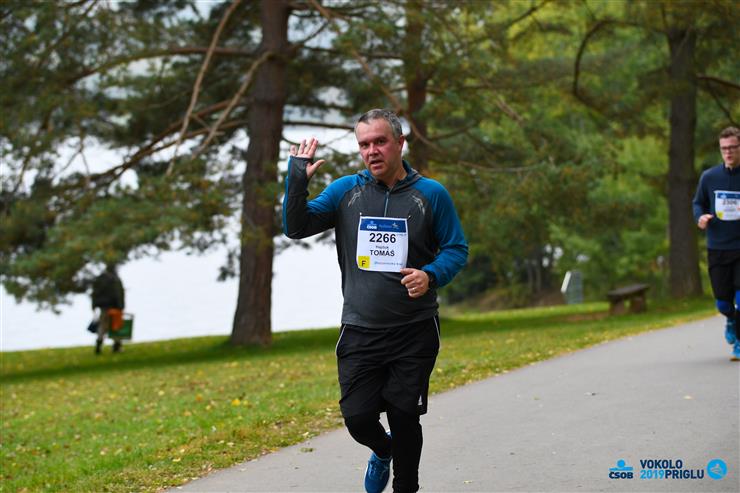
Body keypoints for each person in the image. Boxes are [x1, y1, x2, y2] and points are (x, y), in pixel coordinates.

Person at [283, 109, 468, 493]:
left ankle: (406, 487)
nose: (372, 151)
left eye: (380, 141)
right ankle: (383, 450)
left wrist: (430, 275)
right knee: (358, 418)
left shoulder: (431, 194)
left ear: (400, 143)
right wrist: (297, 179)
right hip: (360, 328)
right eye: (364, 144)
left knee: (404, 415)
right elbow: (296, 227)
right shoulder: (345, 192)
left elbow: (456, 249)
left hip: (414, 328)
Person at [693, 126, 740, 361]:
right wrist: (700, 217)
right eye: (724, 149)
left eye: (733, 147)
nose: (728, 152)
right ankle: (730, 319)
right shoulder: (709, 177)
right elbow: (698, 203)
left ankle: (739, 342)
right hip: (718, 247)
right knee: (723, 302)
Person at [91, 263, 126, 354]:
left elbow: (94, 293)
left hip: (103, 307)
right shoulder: (115, 279)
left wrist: (94, 305)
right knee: (116, 326)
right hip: (114, 307)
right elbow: (118, 293)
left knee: (103, 326)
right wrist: (121, 306)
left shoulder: (100, 279)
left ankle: (99, 344)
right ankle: (117, 346)